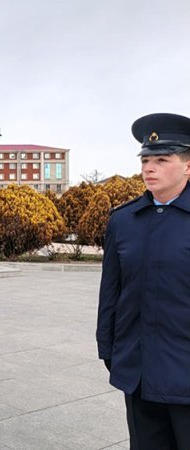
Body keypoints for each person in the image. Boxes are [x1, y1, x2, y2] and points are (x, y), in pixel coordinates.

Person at [97, 112, 190, 448]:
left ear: (187, 166)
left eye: (162, 160)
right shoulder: (124, 221)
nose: (149, 168)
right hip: (139, 373)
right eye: (146, 160)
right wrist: (108, 350)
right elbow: (111, 292)